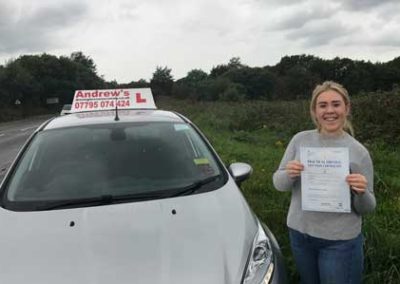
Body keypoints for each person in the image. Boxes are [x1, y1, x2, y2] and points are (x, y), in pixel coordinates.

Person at [273, 81, 376, 284]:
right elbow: (279, 183)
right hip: (300, 234)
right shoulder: (300, 140)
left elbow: (367, 207)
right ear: (314, 111)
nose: (330, 110)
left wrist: (362, 192)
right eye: (323, 105)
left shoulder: (358, 151)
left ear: (346, 108)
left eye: (336, 104)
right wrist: (289, 174)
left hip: (340, 241)